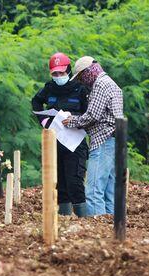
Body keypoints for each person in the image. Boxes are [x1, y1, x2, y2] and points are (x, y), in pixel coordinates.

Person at [63, 56, 123, 216]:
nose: (82, 81)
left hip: (103, 141)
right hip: (115, 141)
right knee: (109, 192)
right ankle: (112, 232)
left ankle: (98, 233)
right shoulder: (112, 83)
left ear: (88, 72)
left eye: (82, 77)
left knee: (93, 191)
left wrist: (71, 121)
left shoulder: (101, 85)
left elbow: (92, 116)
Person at [32, 52, 90, 217]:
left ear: (69, 71)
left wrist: (76, 120)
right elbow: (36, 102)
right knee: (61, 185)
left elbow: (89, 114)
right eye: (55, 73)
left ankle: (84, 221)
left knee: (75, 183)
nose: (58, 76)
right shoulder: (49, 88)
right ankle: (64, 220)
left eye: (62, 73)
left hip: (75, 143)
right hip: (56, 142)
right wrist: (44, 122)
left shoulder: (80, 89)